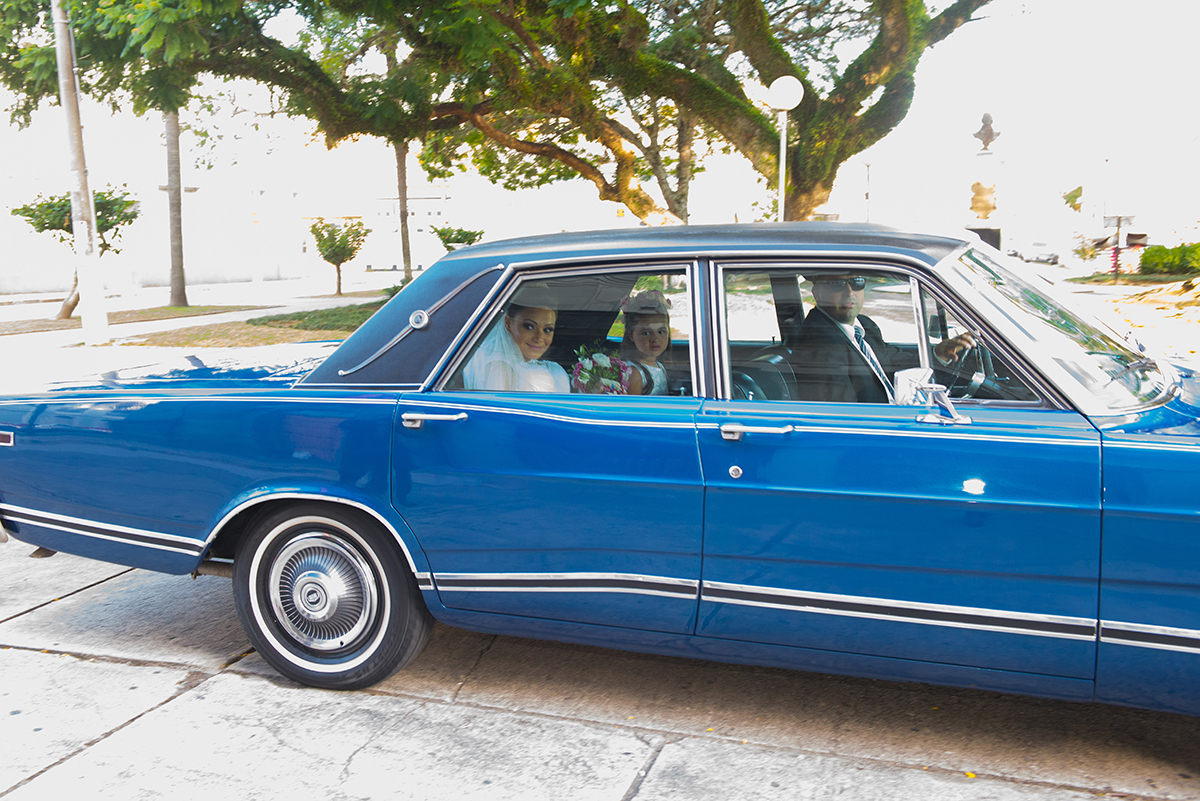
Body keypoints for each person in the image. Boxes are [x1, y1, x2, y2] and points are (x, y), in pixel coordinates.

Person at [791, 274, 975, 404]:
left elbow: (893, 360)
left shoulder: (863, 325)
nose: (850, 291)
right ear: (817, 292)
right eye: (836, 284)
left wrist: (939, 353)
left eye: (857, 282)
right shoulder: (818, 344)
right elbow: (843, 414)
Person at [462, 289, 570, 393]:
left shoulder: (554, 369)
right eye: (529, 327)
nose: (539, 338)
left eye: (547, 330)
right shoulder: (499, 369)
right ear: (508, 322)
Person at [619, 291, 672, 395]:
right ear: (631, 335)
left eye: (661, 332)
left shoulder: (658, 365)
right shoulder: (635, 374)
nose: (655, 339)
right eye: (646, 333)